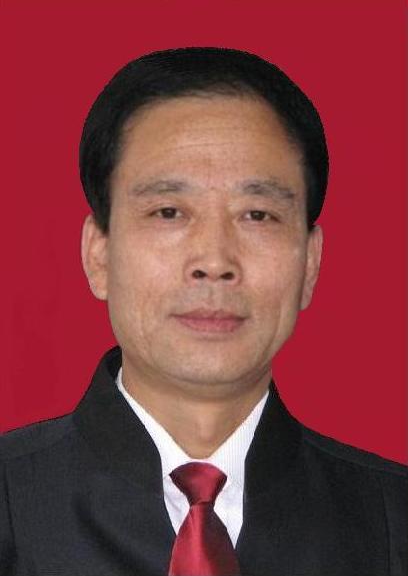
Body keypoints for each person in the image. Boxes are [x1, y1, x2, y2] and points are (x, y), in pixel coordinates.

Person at [0, 47, 406, 576]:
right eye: (169, 212)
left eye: (257, 215)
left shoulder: (393, 520)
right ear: (98, 254)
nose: (214, 261)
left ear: (310, 263)